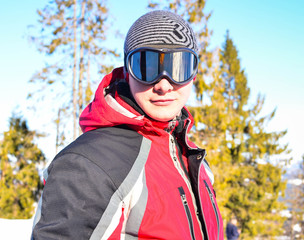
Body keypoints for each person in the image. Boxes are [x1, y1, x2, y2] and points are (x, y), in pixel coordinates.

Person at [31, 10, 223, 239]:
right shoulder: (89, 164)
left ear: (194, 74)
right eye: (147, 66)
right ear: (127, 71)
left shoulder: (191, 159)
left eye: (179, 67)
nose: (164, 84)